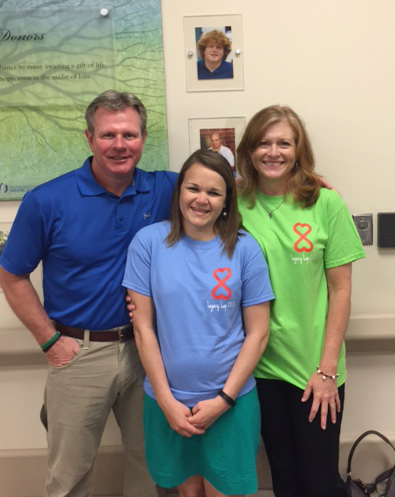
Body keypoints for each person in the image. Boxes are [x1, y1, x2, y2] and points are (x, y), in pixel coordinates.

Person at [0, 90, 178, 497]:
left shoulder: (164, 190)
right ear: (88, 138)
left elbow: (229, 188)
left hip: (146, 350)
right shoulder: (46, 200)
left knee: (154, 469)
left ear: (143, 138)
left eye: (129, 135)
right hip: (78, 354)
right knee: (69, 476)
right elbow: (11, 276)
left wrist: (307, 186)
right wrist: (50, 341)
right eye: (108, 134)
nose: (120, 145)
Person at [122, 150, 274, 497]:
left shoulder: (245, 249)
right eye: (193, 188)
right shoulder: (148, 244)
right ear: (178, 194)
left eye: (214, 192)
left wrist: (223, 400)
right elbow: (143, 329)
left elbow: (258, 333)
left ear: (226, 201)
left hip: (230, 404)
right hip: (168, 404)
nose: (201, 200)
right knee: (188, 493)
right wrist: (166, 401)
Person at [236, 105, 366, 497]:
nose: (273, 152)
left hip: (314, 371)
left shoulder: (326, 204)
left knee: (321, 482)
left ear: (298, 149)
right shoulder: (232, 205)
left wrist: (327, 371)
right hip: (258, 369)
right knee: (285, 479)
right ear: (249, 150)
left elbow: (341, 291)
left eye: (283, 143)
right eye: (263, 143)